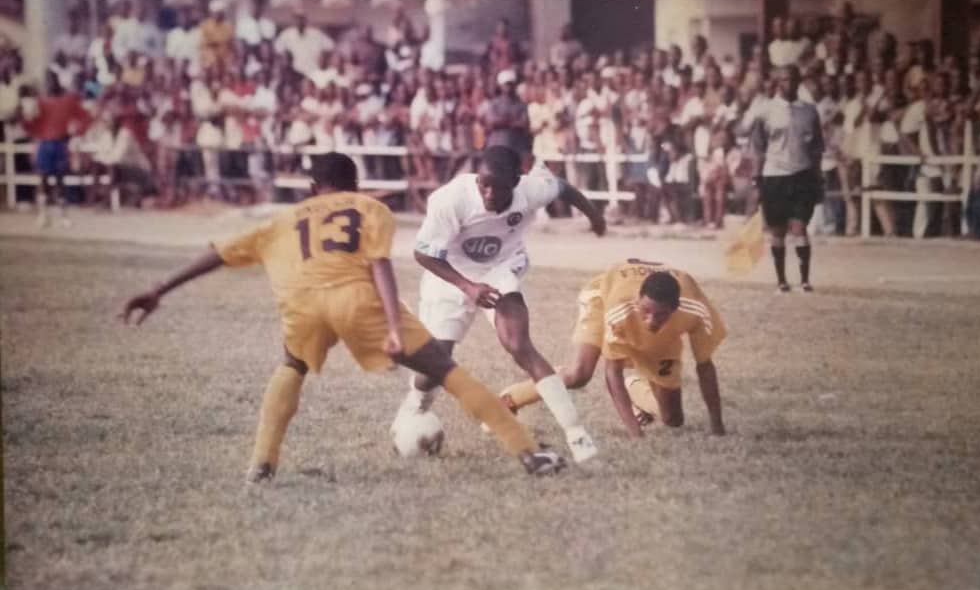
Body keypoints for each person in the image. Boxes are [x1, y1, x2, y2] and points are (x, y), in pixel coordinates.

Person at [121, 153, 565, 482]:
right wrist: (394, 324)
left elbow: (216, 253)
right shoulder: (370, 209)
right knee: (444, 369)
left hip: (302, 303)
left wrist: (158, 290)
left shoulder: (284, 218)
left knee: (291, 366)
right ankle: (528, 455)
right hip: (357, 302)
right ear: (355, 183)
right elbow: (379, 265)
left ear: (312, 187)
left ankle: (261, 463)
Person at [393, 145, 606, 464]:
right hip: (450, 274)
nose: (489, 192)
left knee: (519, 344)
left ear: (517, 181)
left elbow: (563, 188)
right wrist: (467, 286)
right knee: (437, 362)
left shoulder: (532, 189)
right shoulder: (450, 199)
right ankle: (415, 405)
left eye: (498, 185)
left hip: (500, 269)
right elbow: (423, 253)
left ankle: (577, 435)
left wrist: (595, 216)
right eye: (483, 184)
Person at [499, 260, 726, 438]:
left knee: (673, 419)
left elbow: (705, 366)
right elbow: (612, 372)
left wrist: (717, 426)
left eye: (660, 315)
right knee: (579, 374)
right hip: (603, 298)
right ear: (639, 299)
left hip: (653, 312)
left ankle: (636, 388)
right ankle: (510, 398)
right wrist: (635, 435)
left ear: (675, 308)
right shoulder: (620, 308)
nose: (650, 321)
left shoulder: (696, 311)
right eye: (646, 311)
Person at [750, 64, 824, 293]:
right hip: (775, 175)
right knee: (778, 230)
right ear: (776, 82)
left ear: (798, 81)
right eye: (783, 80)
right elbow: (758, 147)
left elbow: (817, 147)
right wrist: (756, 180)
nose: (788, 84)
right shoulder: (765, 110)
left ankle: (804, 279)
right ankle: (781, 279)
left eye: (792, 79)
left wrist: (818, 177)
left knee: (800, 227)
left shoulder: (809, 110)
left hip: (802, 174)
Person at [22, 73, 93, 228]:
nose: (49, 85)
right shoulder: (41, 103)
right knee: (43, 181)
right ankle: (43, 215)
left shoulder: (68, 101)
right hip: (45, 144)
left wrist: (77, 133)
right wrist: (26, 122)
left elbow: (87, 117)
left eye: (51, 81)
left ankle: (62, 216)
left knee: (60, 181)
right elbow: (33, 125)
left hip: (59, 144)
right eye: (47, 82)